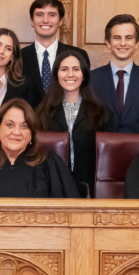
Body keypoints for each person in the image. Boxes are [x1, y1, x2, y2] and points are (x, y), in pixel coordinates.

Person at [0, 99, 80, 198]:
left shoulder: (50, 166)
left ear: (32, 133)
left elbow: (70, 215)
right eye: (10, 125)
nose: (17, 132)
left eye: (24, 126)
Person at [34, 50, 108, 197]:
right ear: (56, 74)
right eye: (64, 69)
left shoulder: (100, 113)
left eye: (76, 69)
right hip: (51, 191)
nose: (70, 74)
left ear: (84, 74)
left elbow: (104, 161)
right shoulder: (41, 113)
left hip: (89, 193)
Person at [90, 14, 139, 134]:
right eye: (117, 37)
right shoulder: (92, 79)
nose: (123, 43)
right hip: (101, 152)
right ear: (108, 43)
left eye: (129, 38)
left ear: (137, 43)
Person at [19, 0, 90, 95]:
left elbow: (84, 93)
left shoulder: (78, 55)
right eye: (39, 14)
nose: (45, 20)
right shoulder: (18, 57)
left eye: (52, 15)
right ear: (32, 21)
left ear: (61, 21)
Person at [0, 28, 42, 122]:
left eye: (8, 48)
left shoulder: (26, 86)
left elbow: (32, 121)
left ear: (12, 57)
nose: (1, 51)